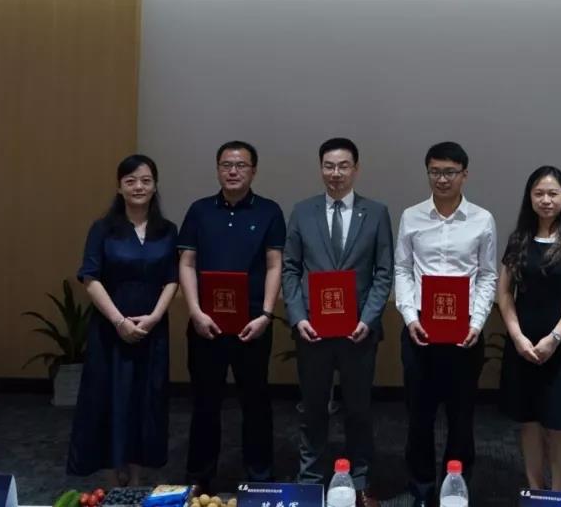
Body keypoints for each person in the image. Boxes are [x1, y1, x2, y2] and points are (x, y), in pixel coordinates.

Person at [281, 138, 394, 507]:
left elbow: (383, 272)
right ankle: (310, 479)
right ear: (321, 169)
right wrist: (298, 318)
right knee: (313, 409)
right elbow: (290, 269)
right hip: (312, 331)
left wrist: (368, 318)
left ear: (356, 169)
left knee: (359, 409)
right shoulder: (303, 212)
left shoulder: (375, 213)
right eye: (329, 166)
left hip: (358, 332)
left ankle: (360, 480)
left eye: (343, 166)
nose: (336, 173)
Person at [394, 141, 497, 507]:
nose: (442, 179)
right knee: (419, 418)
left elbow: (487, 275)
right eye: (435, 172)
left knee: (461, 418)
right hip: (420, 331)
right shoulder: (411, 216)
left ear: (464, 175)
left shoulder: (482, 219)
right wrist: (410, 317)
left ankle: (455, 488)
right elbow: (402, 269)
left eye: (450, 172)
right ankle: (421, 489)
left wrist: (477, 322)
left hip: (464, 334)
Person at [178, 141, 286, 490]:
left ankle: (260, 477)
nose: (233, 171)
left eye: (241, 165)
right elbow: (187, 263)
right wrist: (195, 312)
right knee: (204, 403)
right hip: (205, 324)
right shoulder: (199, 211)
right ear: (217, 169)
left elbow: (274, 264)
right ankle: (199, 477)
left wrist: (266, 314)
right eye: (226, 165)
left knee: (256, 402)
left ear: (253, 170)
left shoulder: (269, 211)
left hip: (252, 324)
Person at [67, 154, 179, 486]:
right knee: (108, 399)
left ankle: (137, 478)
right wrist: (119, 322)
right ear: (119, 187)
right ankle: (112, 481)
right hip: (110, 330)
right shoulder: (103, 229)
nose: (138, 187)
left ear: (155, 185)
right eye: (130, 181)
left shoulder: (167, 230)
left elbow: (172, 279)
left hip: (152, 330)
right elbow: (90, 277)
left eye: (145, 180)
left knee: (146, 400)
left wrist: (154, 318)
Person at [497, 166, 561, 491]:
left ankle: (558, 494)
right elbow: (504, 293)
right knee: (528, 420)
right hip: (523, 345)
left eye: (553, 193)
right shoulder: (518, 240)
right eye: (539, 193)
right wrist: (517, 337)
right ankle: (535, 489)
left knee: (559, 423)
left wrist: (554, 338)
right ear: (529, 198)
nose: (546, 200)